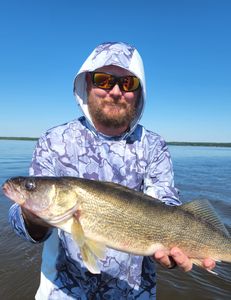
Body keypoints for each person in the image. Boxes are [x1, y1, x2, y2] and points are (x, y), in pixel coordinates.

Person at [9, 42, 215, 299]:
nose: (115, 91)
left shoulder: (154, 145)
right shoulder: (54, 140)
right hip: (62, 292)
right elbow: (23, 228)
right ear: (86, 85)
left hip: (134, 293)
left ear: (139, 93)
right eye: (104, 80)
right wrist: (33, 216)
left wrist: (178, 251)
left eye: (128, 84)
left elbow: (167, 202)